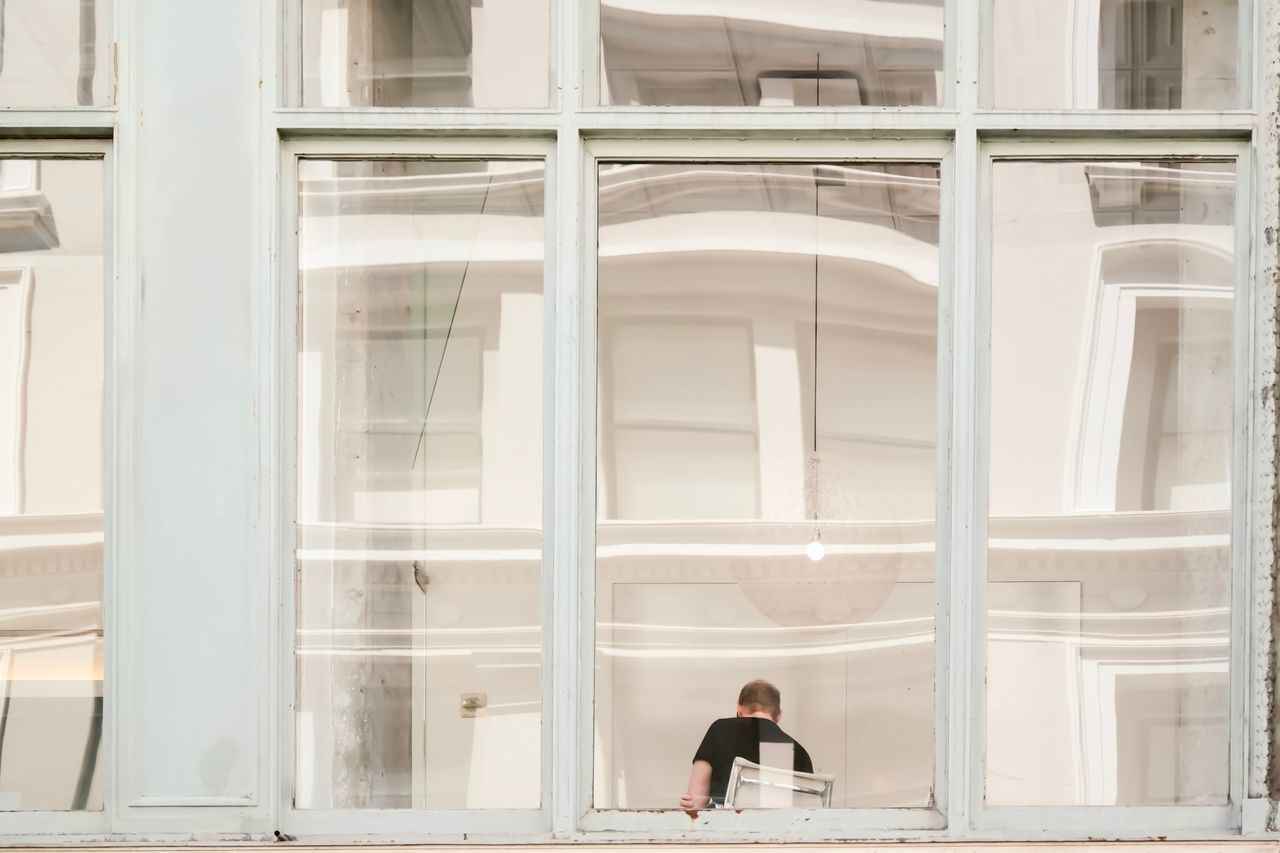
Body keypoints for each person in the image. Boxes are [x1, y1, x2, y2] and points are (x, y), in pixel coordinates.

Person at [680, 679, 813, 811]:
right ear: (779, 715)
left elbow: (696, 800)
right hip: (779, 829)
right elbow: (807, 812)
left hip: (726, 827)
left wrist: (692, 803)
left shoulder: (720, 729)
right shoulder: (800, 753)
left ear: (739, 708)